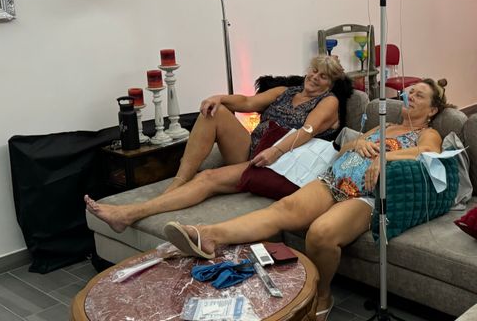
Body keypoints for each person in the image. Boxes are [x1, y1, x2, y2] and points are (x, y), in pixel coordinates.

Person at [162, 78, 452, 321]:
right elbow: (343, 151)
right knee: (283, 209)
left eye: (420, 94)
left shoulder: (427, 133)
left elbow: (426, 154)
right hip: (333, 180)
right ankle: (208, 235)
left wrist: (386, 158)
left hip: (366, 194)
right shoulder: (384, 127)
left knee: (320, 233)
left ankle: (322, 294)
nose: (410, 95)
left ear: (433, 109)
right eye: (411, 91)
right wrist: (358, 142)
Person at [85, 54, 348, 234]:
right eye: (315, 70)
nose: (315, 77)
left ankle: (127, 215)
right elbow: (246, 103)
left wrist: (275, 150)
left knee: (208, 177)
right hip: (253, 150)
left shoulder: (329, 102)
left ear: (331, 84)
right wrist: (218, 98)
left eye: (324, 76)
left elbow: (307, 130)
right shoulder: (284, 91)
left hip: (279, 162)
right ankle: (179, 181)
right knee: (214, 112)